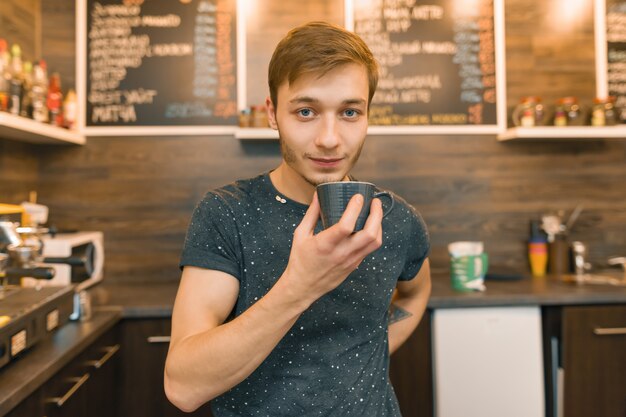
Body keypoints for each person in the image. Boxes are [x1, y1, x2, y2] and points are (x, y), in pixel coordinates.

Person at [164, 21, 431, 417]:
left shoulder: (393, 218)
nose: (328, 138)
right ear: (273, 114)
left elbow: (415, 292)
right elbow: (183, 386)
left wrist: (367, 349)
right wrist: (300, 286)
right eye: (306, 111)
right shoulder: (227, 213)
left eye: (350, 112)